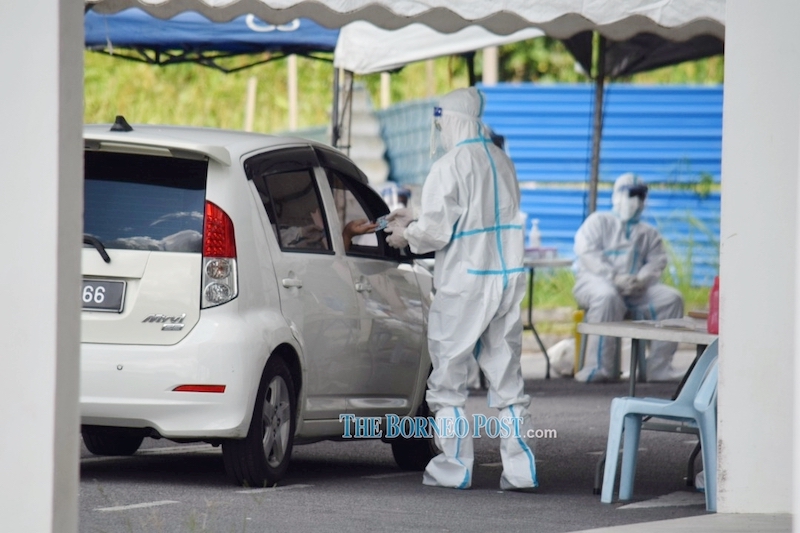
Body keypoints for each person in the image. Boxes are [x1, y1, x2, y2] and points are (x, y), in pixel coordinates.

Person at [384, 87, 537, 491]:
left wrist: (406, 234)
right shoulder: (502, 161)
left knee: (448, 377)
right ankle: (519, 471)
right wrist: (416, 218)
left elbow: (437, 230)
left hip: (464, 285)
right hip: (505, 279)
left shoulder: (449, 165)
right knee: (507, 378)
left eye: (440, 123)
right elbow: (477, 215)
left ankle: (455, 467)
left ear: (449, 120)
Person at [573, 173, 685, 383]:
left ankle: (658, 368)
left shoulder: (648, 233)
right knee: (607, 297)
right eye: (630, 195)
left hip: (636, 290)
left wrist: (641, 280)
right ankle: (598, 367)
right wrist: (614, 277)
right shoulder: (599, 222)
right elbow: (588, 254)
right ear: (617, 195)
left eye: (640, 196)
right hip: (596, 282)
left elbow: (657, 261)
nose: (635, 201)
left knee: (672, 299)